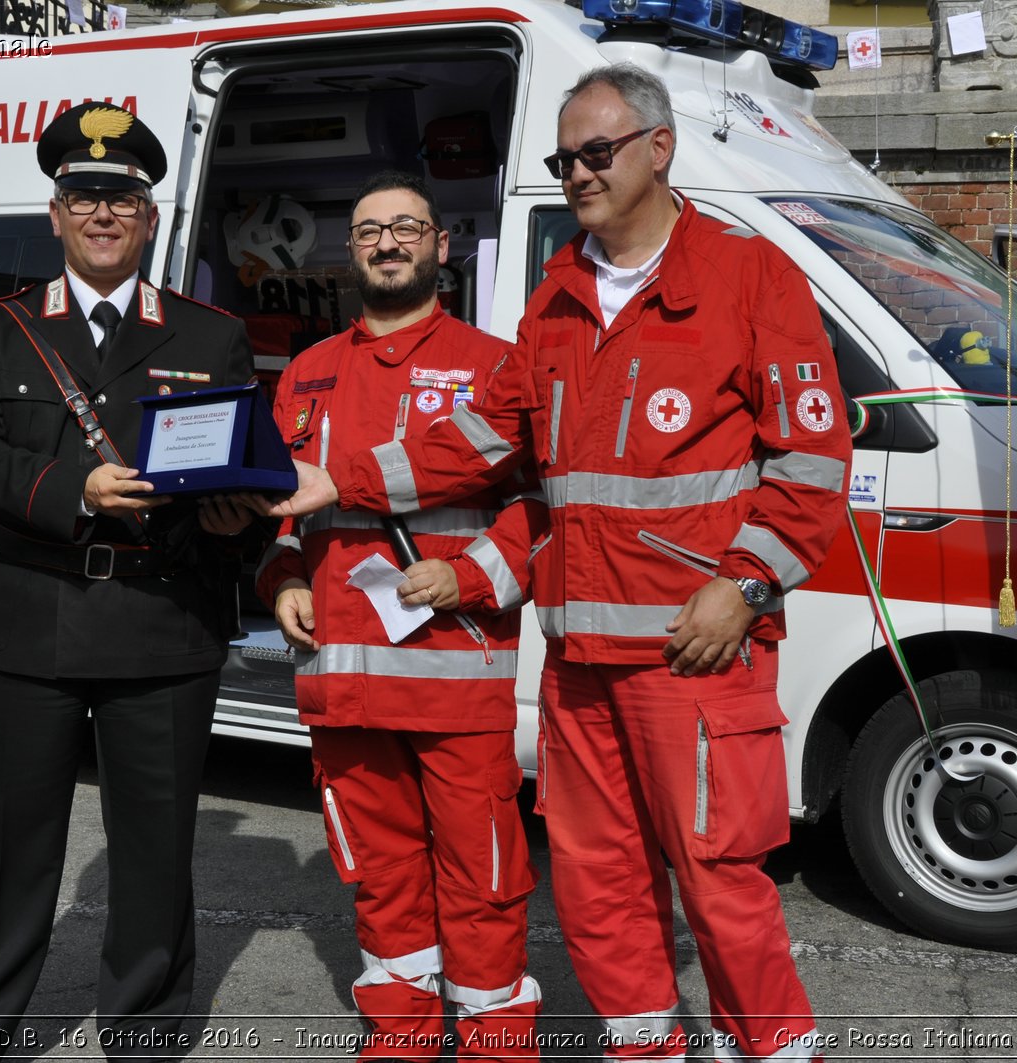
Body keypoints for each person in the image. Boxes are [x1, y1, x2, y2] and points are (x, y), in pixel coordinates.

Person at [272, 65, 851, 1062]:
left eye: (597, 153)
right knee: (598, 877)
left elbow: (809, 459)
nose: (578, 173)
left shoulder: (746, 274)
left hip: (694, 652)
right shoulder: (556, 297)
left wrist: (747, 584)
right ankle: (644, 1046)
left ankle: (774, 1049)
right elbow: (486, 440)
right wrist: (348, 481)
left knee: (718, 876)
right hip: (579, 656)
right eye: (564, 159)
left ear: (658, 149)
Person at [0, 101, 262, 1058]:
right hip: (25, 616)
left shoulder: (209, 336)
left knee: (154, 854)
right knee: (1, 851)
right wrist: (78, 486)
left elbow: (228, 468)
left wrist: (233, 521)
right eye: (85, 196)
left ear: (150, 215)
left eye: (122, 197)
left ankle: (147, 1036)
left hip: (160, 621)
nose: (104, 213)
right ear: (57, 212)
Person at [257, 171, 548, 1061]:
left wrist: (469, 578)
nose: (388, 242)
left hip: (454, 674)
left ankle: (497, 1041)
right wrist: (279, 581)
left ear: (441, 245)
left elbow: (541, 507)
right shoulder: (306, 373)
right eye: (371, 229)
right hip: (341, 678)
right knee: (378, 875)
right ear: (351, 249)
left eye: (407, 228)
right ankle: (402, 1037)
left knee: (485, 875)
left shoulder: (494, 364)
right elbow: (281, 510)